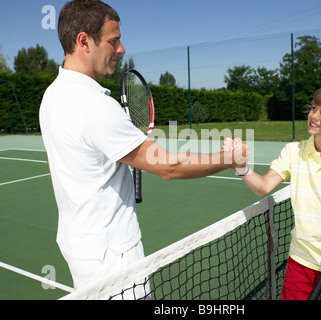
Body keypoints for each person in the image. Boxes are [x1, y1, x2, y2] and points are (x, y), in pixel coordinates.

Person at [39, 0, 248, 295]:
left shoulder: (51, 96)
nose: (121, 49)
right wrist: (229, 158)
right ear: (84, 41)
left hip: (80, 248)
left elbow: (55, 163)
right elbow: (168, 166)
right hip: (114, 256)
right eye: (114, 41)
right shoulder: (96, 106)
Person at [225, 85, 321, 300]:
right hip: (301, 260)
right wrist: (241, 167)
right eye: (314, 108)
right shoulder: (293, 152)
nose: (314, 115)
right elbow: (264, 187)